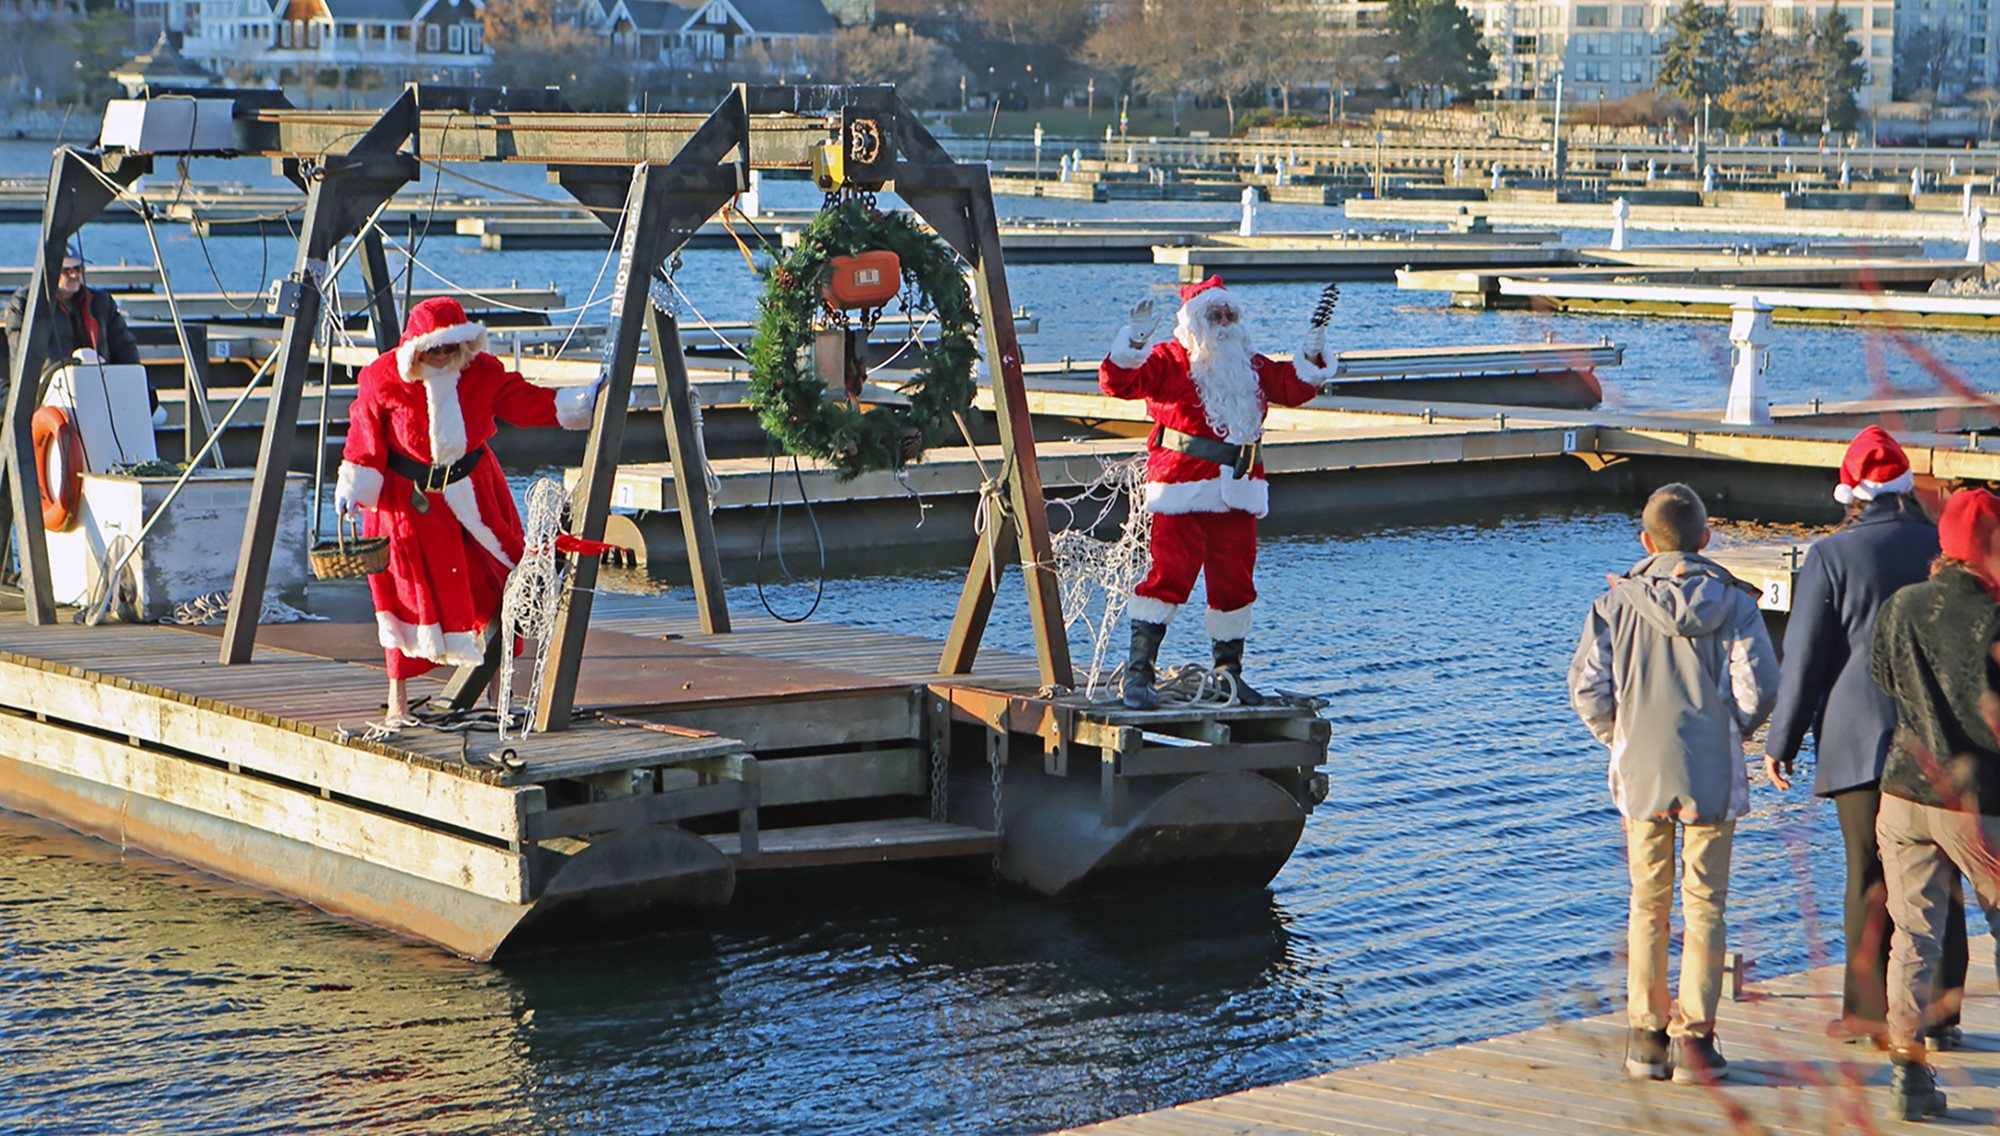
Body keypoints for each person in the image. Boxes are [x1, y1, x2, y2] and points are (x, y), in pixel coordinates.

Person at [1568, 483, 1779, 1085]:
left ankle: (1645, 1038)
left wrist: (1620, 736)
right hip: (1711, 771)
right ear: (1706, 538)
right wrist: (1729, 731)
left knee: (1647, 903)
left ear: (1645, 541)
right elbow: (1759, 688)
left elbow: (1587, 688)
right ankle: (1696, 1042)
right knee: (1706, 903)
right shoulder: (1736, 604)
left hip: (1641, 771)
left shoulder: (1614, 606)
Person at [1764, 426, 1967, 1050]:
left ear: (1850, 491)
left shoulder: (1832, 555)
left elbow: (1805, 658)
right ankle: (1939, 1010)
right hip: (1940, 731)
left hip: (1859, 736)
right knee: (1943, 869)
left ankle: (1868, 1012)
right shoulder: (1941, 543)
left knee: (1867, 872)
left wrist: (1783, 739)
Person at [334, 296, 604, 723]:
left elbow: (525, 401)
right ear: (417, 346)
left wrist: (583, 402)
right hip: (408, 503)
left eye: (450, 347)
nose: (442, 356)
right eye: (434, 348)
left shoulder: (482, 372)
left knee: (501, 584)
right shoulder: (381, 378)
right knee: (406, 598)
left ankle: (501, 698)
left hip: (476, 492)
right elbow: (364, 437)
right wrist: (353, 487)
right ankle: (398, 703)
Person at [1097, 274, 1331, 710]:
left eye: (1230, 314)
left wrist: (1312, 352)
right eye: (1214, 314)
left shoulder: (1249, 363)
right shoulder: (1169, 359)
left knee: (1235, 586)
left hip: (1239, 491)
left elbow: (1293, 387)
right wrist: (1132, 342)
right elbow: (1119, 385)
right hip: (1182, 489)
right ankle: (1138, 674)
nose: (1223, 322)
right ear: (1193, 321)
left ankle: (1228, 676)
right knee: (1169, 577)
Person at [1872, 488, 2000, 1122]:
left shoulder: (1903, 606)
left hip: (1903, 791)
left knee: (1913, 936)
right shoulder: (1996, 615)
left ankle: (1907, 1073)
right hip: (1980, 802)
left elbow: (1885, 680)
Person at [1, 242, 145, 405]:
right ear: (49, 270)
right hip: (51, 394)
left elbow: (125, 348)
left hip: (101, 389)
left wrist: (138, 387)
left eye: (78, 269)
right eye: (67, 270)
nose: (74, 275)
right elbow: (22, 361)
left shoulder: (101, 303)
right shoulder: (26, 303)